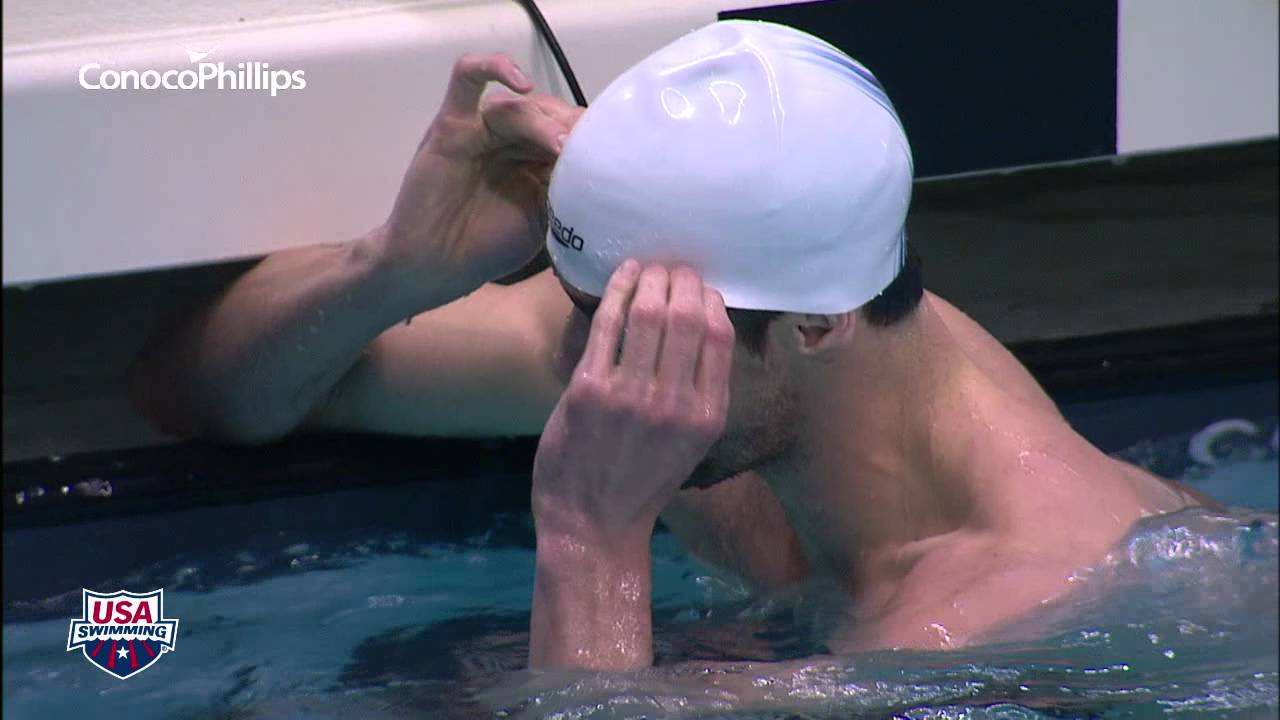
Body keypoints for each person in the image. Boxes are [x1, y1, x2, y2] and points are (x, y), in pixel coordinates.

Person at [129, 21, 1216, 673]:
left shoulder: (990, 618)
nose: (598, 361)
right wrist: (391, 274)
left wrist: (591, 537)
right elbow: (201, 391)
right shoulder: (735, 350)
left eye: (646, 322)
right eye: (592, 308)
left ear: (815, 324)